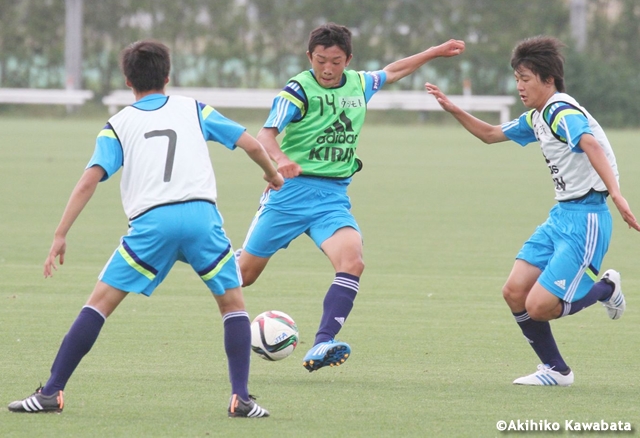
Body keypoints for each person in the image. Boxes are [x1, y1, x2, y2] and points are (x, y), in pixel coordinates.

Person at [8, 39, 283, 417]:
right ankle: (242, 399)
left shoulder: (118, 124)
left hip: (152, 224)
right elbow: (251, 144)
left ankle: (51, 393)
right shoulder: (194, 109)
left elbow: (89, 180)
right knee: (232, 305)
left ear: (127, 80)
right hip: (202, 218)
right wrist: (273, 174)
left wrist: (60, 234)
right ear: (168, 76)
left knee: (99, 305)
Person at [235, 22, 465, 372]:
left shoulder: (360, 83)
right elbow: (265, 135)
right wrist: (282, 161)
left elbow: (393, 71)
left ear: (349, 59)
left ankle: (322, 342)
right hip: (289, 195)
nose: (327, 69)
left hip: (332, 198)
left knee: (352, 262)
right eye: (321, 60)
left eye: (336, 61)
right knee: (242, 276)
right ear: (309, 57)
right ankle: (193, 251)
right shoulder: (297, 90)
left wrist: (435, 51)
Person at [425, 36, 640, 386]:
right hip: (561, 216)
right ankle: (557, 370)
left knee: (540, 306)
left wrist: (617, 194)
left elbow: (589, 143)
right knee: (513, 292)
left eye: (526, 79)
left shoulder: (560, 109)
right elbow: (491, 134)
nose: (520, 86)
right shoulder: (539, 116)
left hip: (586, 219)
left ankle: (606, 289)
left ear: (548, 79)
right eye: (516, 79)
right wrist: (453, 109)